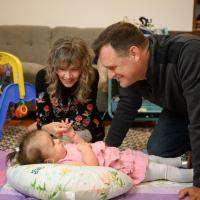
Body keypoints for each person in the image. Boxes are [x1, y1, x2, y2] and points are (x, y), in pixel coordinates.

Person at [92, 21, 200, 198]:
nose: (110, 75)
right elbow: (127, 106)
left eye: (113, 67)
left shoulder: (188, 54)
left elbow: (199, 120)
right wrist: (105, 153)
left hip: (197, 110)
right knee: (159, 149)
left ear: (134, 53)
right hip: (181, 109)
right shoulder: (132, 73)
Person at [9, 128, 193, 185]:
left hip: (121, 156)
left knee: (154, 158)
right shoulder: (65, 167)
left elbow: (80, 144)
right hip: (122, 167)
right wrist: (86, 150)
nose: (57, 140)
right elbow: (92, 168)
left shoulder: (64, 150)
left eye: (52, 137)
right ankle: (193, 176)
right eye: (52, 143)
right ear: (49, 161)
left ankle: (182, 161)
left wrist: (73, 135)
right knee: (162, 170)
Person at [35, 37, 105, 142]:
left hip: (83, 126)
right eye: (62, 69)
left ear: (83, 67)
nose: (68, 76)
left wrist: (66, 134)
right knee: (39, 142)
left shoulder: (92, 74)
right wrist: (46, 127)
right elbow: (43, 119)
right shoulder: (42, 76)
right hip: (54, 126)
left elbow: (84, 116)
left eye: (75, 69)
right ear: (54, 66)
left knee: (64, 142)